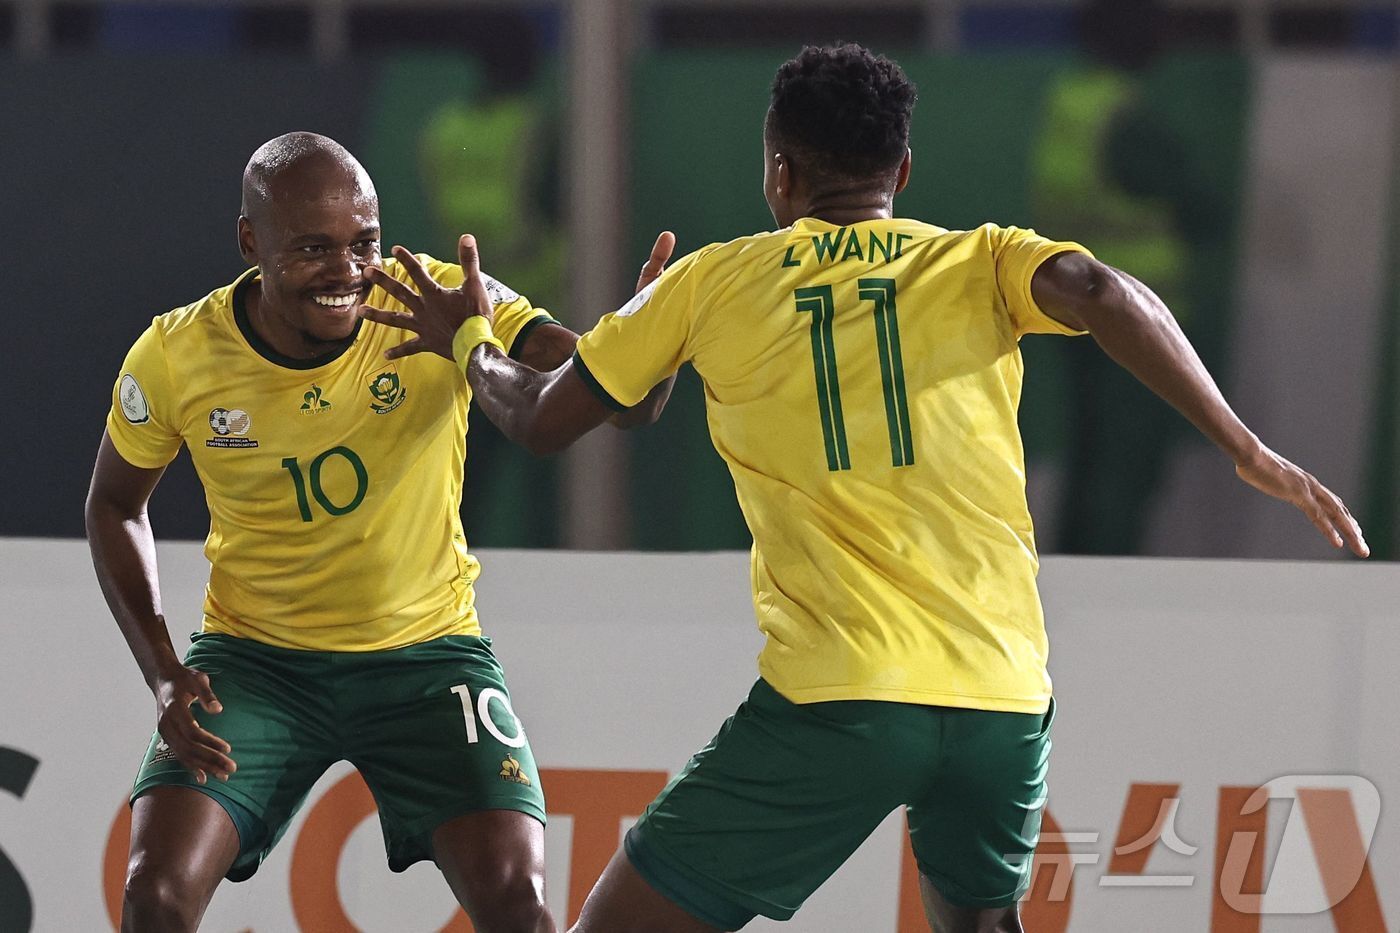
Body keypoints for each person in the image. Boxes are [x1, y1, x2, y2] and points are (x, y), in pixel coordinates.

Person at [361, 44, 1369, 933]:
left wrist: (468, 339)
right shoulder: (977, 259)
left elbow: (544, 419)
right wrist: (1240, 442)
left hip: (834, 705)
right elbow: (1103, 289)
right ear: (902, 170)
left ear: (776, 170)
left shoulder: (711, 282)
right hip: (1000, 700)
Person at [85, 131, 672, 933]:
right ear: (250, 241)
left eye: (363, 242)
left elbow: (621, 400)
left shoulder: (438, 296)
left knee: (519, 906)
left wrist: (651, 335)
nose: (347, 272)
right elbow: (114, 504)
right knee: (153, 896)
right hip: (257, 665)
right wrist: (161, 670)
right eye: (313, 249)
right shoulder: (177, 353)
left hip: (428, 661)